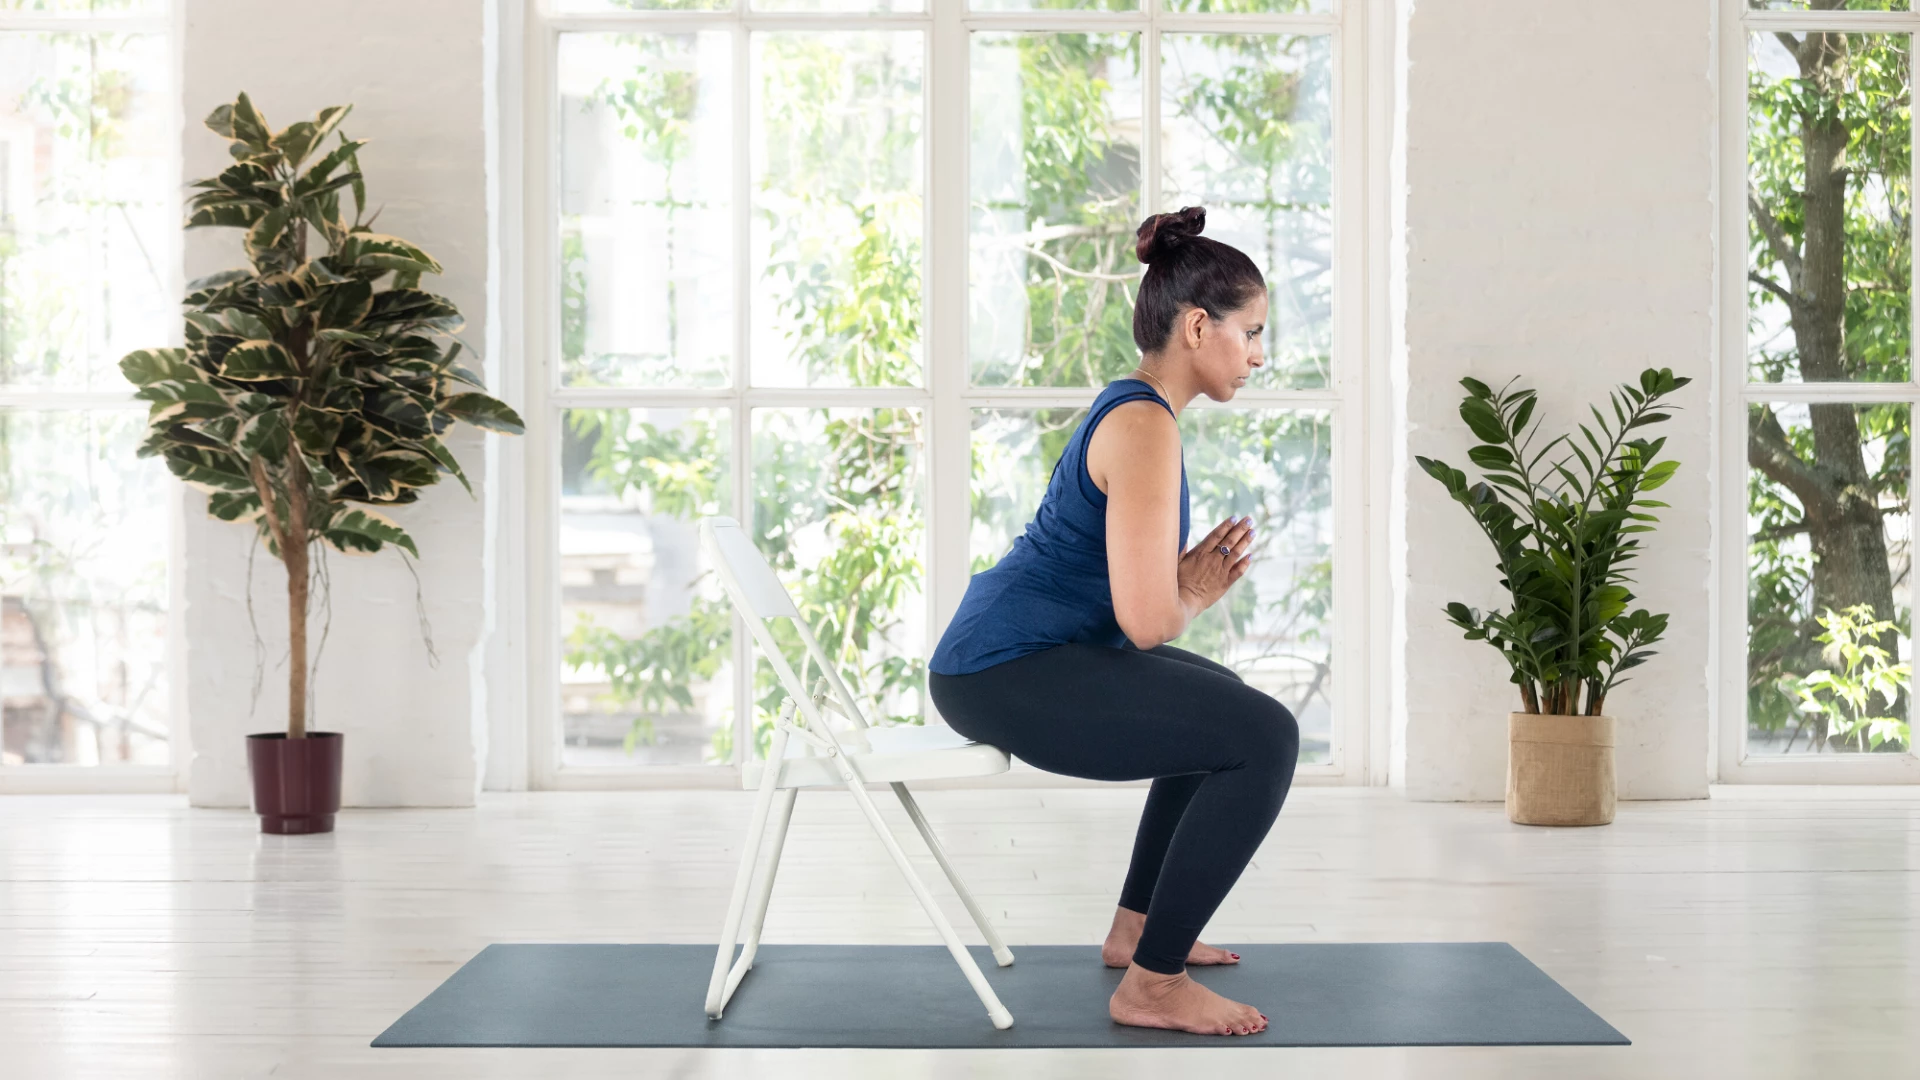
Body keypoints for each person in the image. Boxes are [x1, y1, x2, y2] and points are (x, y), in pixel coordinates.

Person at [928, 206, 1298, 1038]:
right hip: (1003, 666)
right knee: (1264, 736)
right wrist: (1193, 592)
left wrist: (1182, 586)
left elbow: (1128, 597)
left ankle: (1138, 929)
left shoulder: (1140, 411)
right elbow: (1143, 624)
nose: (1260, 354)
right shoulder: (1142, 427)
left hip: (1013, 651)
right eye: (1252, 332)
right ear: (1199, 327)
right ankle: (1152, 985)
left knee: (1229, 707)